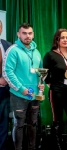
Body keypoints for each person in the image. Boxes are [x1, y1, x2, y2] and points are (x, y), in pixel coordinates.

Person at [2, 23, 44, 150]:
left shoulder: (36, 52)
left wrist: (41, 84)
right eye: (24, 33)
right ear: (18, 34)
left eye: (30, 33)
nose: (27, 36)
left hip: (35, 95)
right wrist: (22, 89)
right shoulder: (13, 50)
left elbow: (40, 71)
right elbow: (7, 72)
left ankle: (31, 148)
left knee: (33, 124)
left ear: (33, 34)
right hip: (19, 95)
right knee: (19, 124)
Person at [43, 28, 67, 150]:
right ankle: (58, 145)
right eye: (62, 37)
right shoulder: (50, 55)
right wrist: (53, 86)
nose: (65, 40)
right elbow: (46, 75)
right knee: (57, 119)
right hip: (57, 91)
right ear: (57, 39)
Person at [0, 20, 12, 150]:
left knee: (3, 124)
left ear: (1, 29)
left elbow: (13, 68)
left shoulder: (8, 45)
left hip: (5, 92)